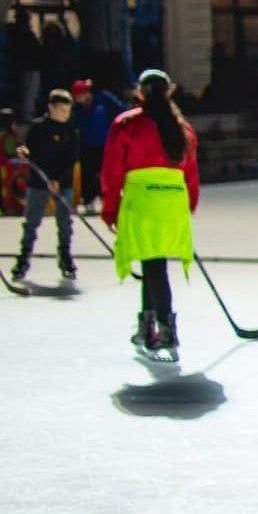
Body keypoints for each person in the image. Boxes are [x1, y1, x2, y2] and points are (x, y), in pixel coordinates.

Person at [101, 70, 200, 362]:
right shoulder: (181, 126)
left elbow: (112, 170)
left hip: (143, 200)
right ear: (168, 92)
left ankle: (165, 328)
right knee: (152, 262)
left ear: (140, 93)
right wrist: (189, 204)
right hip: (172, 201)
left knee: (153, 264)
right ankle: (147, 327)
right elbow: (191, 171)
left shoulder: (127, 124)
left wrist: (110, 207)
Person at [12, 88, 80, 282]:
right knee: (31, 223)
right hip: (38, 183)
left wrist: (58, 179)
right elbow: (30, 152)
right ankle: (23, 259)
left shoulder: (71, 131)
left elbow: (71, 160)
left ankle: (65, 258)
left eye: (67, 111)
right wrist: (24, 153)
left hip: (62, 184)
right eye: (61, 110)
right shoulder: (38, 128)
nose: (64, 115)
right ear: (51, 107)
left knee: (65, 223)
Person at [70, 78, 126, 213]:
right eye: (76, 97)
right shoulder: (77, 108)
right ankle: (89, 201)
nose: (79, 99)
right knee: (88, 173)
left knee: (106, 174)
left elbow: (121, 111)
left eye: (81, 95)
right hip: (86, 145)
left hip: (105, 144)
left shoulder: (103, 99)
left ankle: (108, 200)